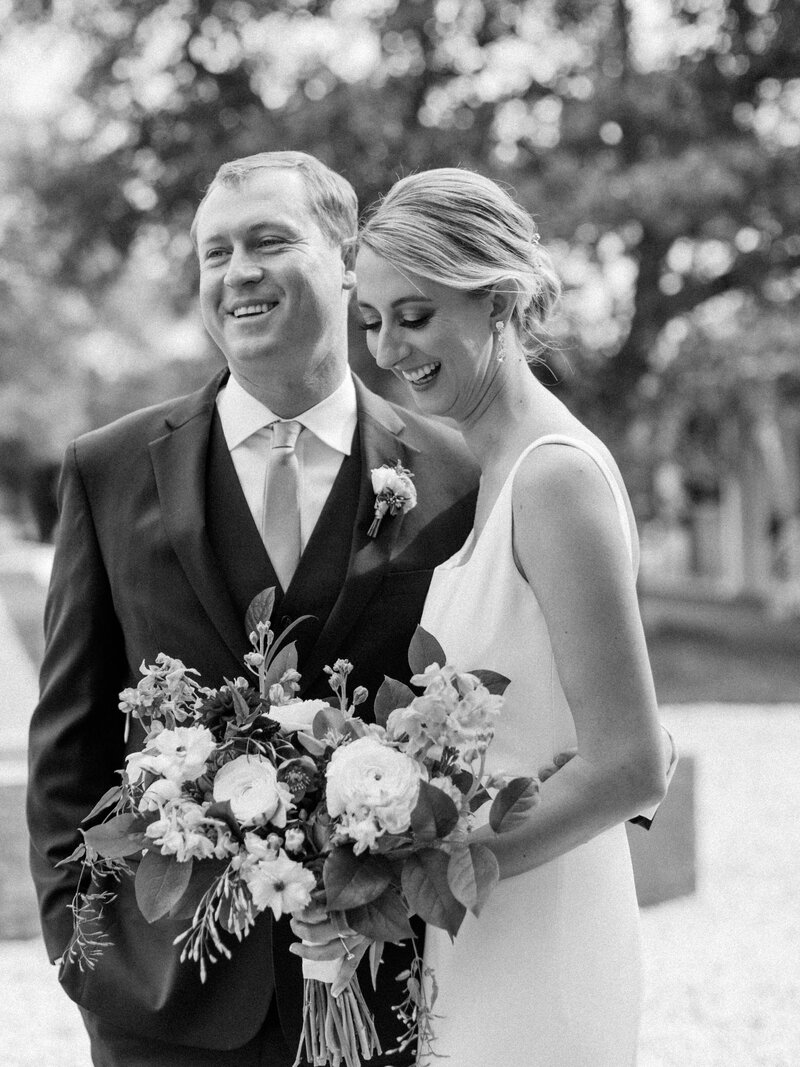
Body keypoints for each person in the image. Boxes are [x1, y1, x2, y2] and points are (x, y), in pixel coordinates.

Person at [26, 151, 479, 1067]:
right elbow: (68, 742)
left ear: (348, 256)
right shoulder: (108, 468)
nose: (239, 272)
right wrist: (92, 962)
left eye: (271, 240)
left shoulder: (452, 473)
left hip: (391, 993)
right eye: (215, 251)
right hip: (163, 1007)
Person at [355, 168, 672, 1066]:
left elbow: (630, 764)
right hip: (482, 917)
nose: (388, 348)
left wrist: (408, 878)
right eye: (372, 320)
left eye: (414, 316)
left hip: (545, 926)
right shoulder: (490, 466)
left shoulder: (554, 479)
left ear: (496, 301)